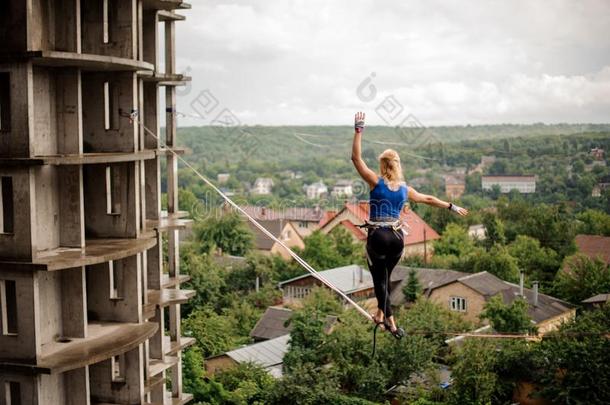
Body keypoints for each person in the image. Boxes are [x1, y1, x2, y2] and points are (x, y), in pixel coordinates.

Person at [351, 112, 468, 338]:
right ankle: (379, 313)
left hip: (378, 237)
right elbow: (429, 199)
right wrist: (452, 207)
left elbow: (356, 159)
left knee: (379, 280)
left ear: (382, 166)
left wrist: (358, 131)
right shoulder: (405, 189)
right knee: (385, 278)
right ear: (397, 165)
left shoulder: (375, 181)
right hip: (397, 240)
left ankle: (392, 324)